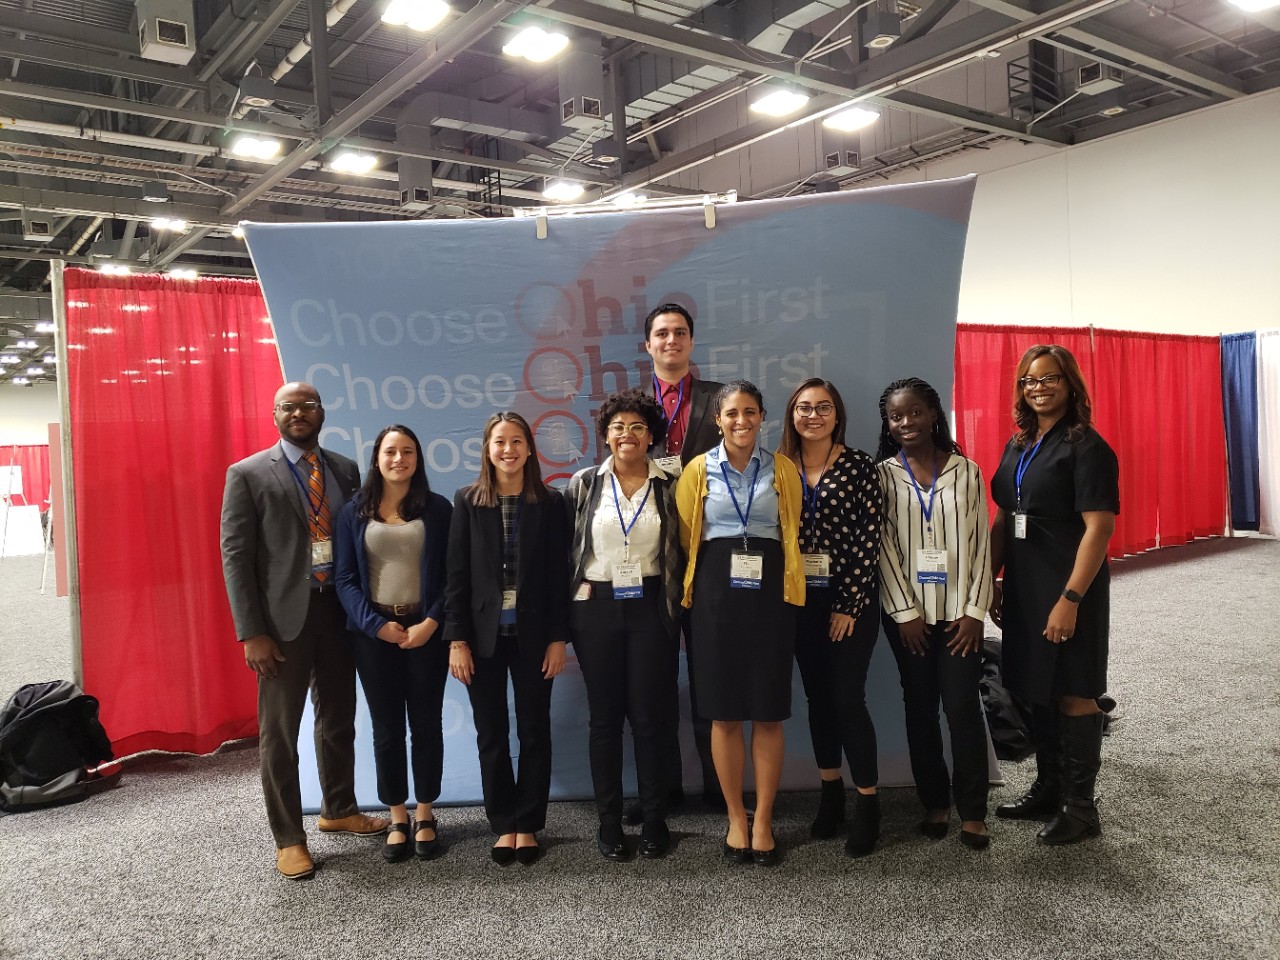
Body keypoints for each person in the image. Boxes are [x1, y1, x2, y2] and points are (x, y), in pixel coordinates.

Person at [220, 382, 388, 881]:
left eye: (308, 405)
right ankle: (289, 837)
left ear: (322, 412)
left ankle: (338, 808)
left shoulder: (345, 469)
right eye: (288, 407)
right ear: (274, 414)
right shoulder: (247, 474)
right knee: (280, 735)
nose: (299, 413)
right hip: (280, 624)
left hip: (337, 615)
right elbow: (235, 557)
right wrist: (252, 632)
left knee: (338, 719)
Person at [989, 344, 1118, 845]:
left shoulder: (1087, 446)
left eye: (1049, 379)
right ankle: (1048, 788)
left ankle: (1081, 809)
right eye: (1029, 381)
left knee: (1075, 689)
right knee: (1035, 686)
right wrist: (994, 578)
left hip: (1069, 584)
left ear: (1070, 384)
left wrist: (1070, 599)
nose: (1038, 388)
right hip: (1024, 582)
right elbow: (1004, 516)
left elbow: (1099, 528)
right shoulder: (1019, 444)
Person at [675, 379, 804, 866]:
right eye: (732, 413)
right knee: (725, 711)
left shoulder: (783, 469)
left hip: (772, 591)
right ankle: (735, 817)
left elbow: (794, 528)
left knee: (768, 710)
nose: (741, 421)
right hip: (713, 593)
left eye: (750, 412)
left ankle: (765, 818)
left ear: (762, 416)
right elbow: (688, 536)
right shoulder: (697, 470)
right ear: (717, 419)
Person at [444, 411, 570, 865]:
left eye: (517, 441)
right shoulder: (468, 500)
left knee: (535, 731)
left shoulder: (551, 502)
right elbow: (455, 577)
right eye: (500, 442)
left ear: (530, 449)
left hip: (535, 636)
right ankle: (503, 823)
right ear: (487, 449)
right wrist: (456, 640)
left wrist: (559, 638)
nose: (508, 450)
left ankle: (529, 823)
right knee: (491, 733)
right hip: (482, 640)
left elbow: (561, 577)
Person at [564, 389, 683, 861]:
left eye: (637, 427)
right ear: (605, 435)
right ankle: (609, 822)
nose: (627, 434)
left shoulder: (669, 482)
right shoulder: (584, 483)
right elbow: (568, 552)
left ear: (650, 435)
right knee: (605, 720)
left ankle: (655, 817)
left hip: (652, 606)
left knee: (652, 719)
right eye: (617, 427)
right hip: (596, 607)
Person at [876, 377, 995, 850]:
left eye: (915, 412)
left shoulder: (967, 471)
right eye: (896, 416)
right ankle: (935, 802)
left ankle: (973, 810)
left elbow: (981, 544)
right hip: (910, 620)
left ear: (934, 414)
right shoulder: (883, 475)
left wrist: (973, 612)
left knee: (963, 707)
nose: (906, 422)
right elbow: (881, 548)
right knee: (919, 708)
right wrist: (904, 613)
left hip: (959, 617)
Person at [333, 425, 452, 863]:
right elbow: (344, 578)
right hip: (373, 635)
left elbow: (451, 575)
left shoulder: (438, 509)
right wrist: (373, 625)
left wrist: (432, 621)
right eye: (390, 451)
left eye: (407, 451)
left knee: (426, 724)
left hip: (425, 632)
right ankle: (397, 814)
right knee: (386, 728)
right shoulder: (352, 511)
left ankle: (425, 813)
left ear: (418, 459)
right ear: (376, 458)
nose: (398, 459)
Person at [777, 378, 884, 857]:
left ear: (837, 415)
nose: (813, 415)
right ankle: (830, 794)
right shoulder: (778, 469)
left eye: (823, 407)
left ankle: (868, 803)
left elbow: (869, 539)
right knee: (818, 700)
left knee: (847, 698)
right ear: (792, 415)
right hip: (799, 602)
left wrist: (848, 605)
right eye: (804, 407)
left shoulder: (861, 466)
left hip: (851, 601)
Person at [639, 302, 725, 817]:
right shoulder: (630, 405)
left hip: (707, 556)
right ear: (647, 345)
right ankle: (663, 791)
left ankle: (720, 789)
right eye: (661, 333)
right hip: (647, 560)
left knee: (709, 678)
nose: (671, 340)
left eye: (680, 333)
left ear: (691, 342)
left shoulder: (719, 399)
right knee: (653, 686)